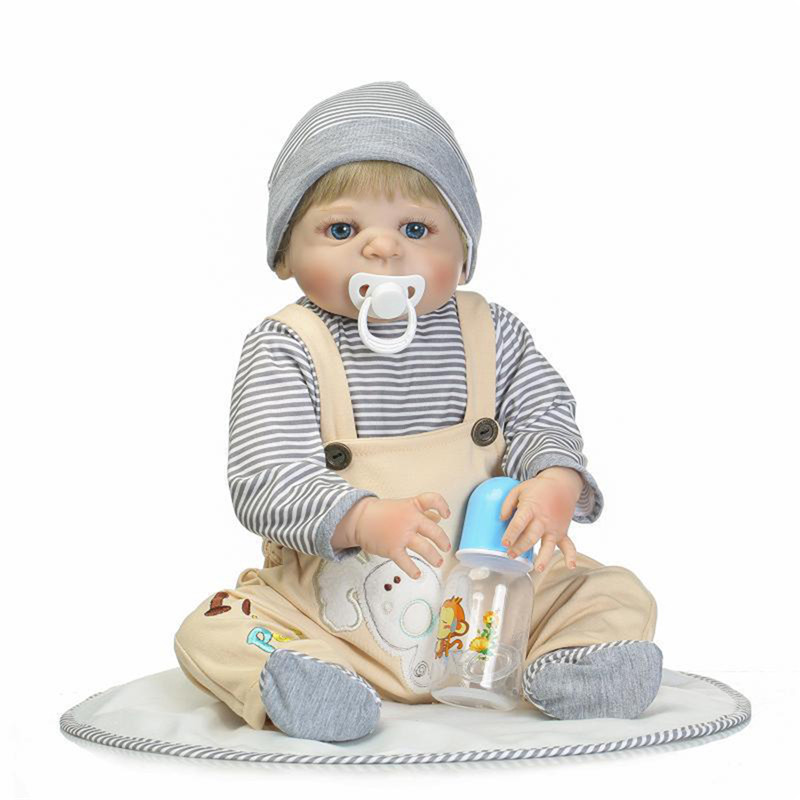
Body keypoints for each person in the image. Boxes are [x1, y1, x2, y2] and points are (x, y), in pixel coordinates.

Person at [174, 81, 662, 743]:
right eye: (342, 229)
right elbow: (265, 479)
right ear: (285, 252)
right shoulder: (287, 346)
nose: (383, 249)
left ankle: (573, 664)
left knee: (613, 592)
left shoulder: (492, 332)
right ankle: (310, 680)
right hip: (333, 614)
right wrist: (361, 518)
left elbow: (544, 413)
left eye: (415, 228)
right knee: (218, 623)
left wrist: (555, 480)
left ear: (463, 252)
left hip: (497, 602)